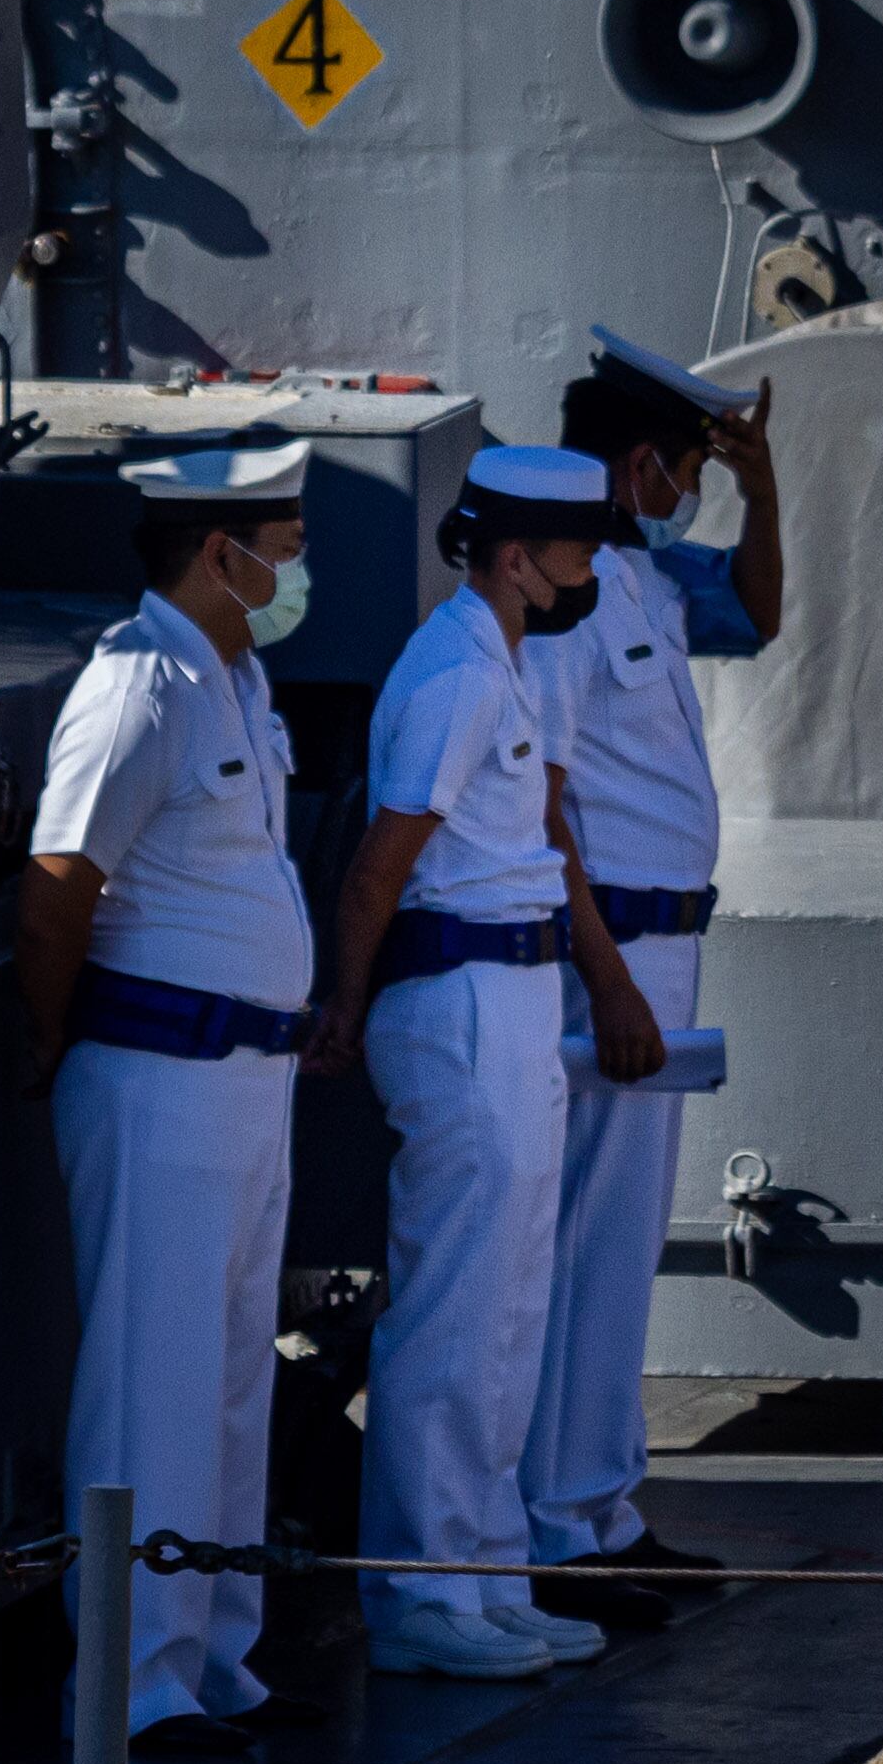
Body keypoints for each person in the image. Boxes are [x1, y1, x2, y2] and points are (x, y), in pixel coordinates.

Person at [310, 447, 667, 1683]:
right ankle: (420, 1593)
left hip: (511, 997)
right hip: (456, 998)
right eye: (575, 552)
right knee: (455, 1308)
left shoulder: (501, 665)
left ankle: (487, 1579)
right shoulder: (456, 674)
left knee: (510, 1307)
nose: (587, 572)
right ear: (517, 557)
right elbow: (377, 867)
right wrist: (344, 1011)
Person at [20, 440, 319, 1760]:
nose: (295, 563)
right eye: (285, 536)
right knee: (151, 1380)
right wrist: (46, 1039)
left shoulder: (238, 681)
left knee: (227, 1381)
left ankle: (213, 1651)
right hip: (157, 1077)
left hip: (246, 1084)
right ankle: (134, 1681)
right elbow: (57, 883)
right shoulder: (135, 687)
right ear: (218, 553)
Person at [525, 333, 780, 1630]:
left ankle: (601, 1507)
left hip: (654, 945)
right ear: (637, 466)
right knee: (577, 1240)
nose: (690, 486)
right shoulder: (566, 605)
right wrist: (609, 980)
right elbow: (546, 804)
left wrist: (757, 477)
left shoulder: (637, 575)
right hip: (605, 954)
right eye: (685, 466)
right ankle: (551, 1526)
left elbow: (757, 607)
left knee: (618, 1244)